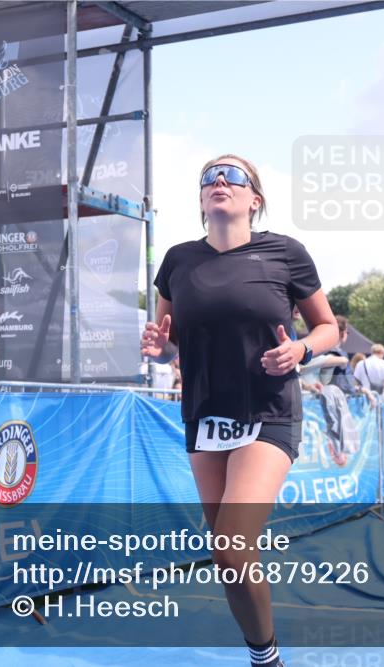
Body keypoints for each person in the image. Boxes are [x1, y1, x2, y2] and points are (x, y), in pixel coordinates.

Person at [141, 154, 338, 667]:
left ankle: (266, 660)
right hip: (205, 415)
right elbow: (168, 343)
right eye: (208, 177)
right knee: (229, 562)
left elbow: (328, 328)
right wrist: (160, 348)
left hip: (268, 410)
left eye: (232, 176)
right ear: (202, 200)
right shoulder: (178, 260)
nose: (219, 182)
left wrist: (302, 350)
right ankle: (264, 653)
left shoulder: (285, 253)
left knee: (230, 547)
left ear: (255, 199)